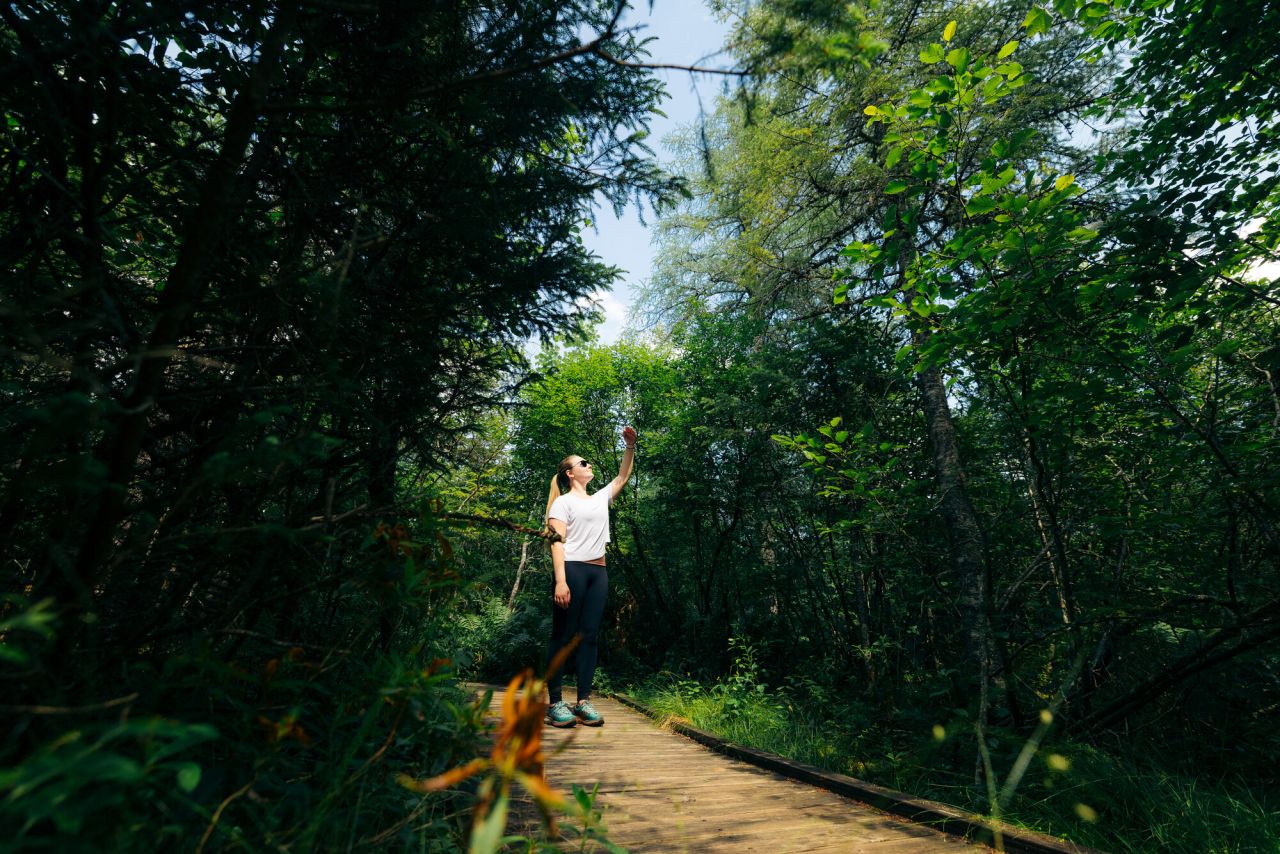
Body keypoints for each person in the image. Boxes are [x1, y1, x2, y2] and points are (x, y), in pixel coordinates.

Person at [542, 425, 636, 727]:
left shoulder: (598, 499)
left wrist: (630, 447)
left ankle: (582, 701)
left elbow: (622, 477)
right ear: (570, 473)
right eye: (583, 463)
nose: (588, 465)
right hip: (572, 570)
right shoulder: (562, 502)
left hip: (598, 572)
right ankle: (555, 703)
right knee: (562, 636)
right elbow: (557, 542)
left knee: (590, 637)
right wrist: (560, 580)